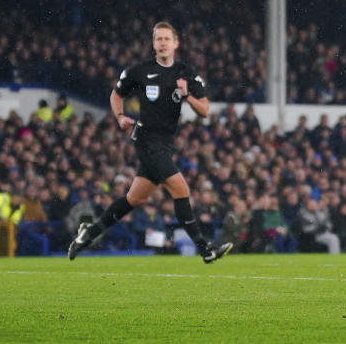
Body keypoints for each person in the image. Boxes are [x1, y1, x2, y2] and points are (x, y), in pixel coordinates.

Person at [67, 21, 232, 264]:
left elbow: (205, 110)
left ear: (176, 43)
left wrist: (186, 95)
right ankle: (205, 249)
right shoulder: (140, 71)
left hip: (165, 143)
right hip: (146, 140)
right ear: (153, 44)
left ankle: (87, 234)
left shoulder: (186, 73)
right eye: (158, 39)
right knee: (181, 190)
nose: (162, 43)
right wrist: (120, 116)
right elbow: (116, 94)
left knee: (135, 199)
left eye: (167, 39)